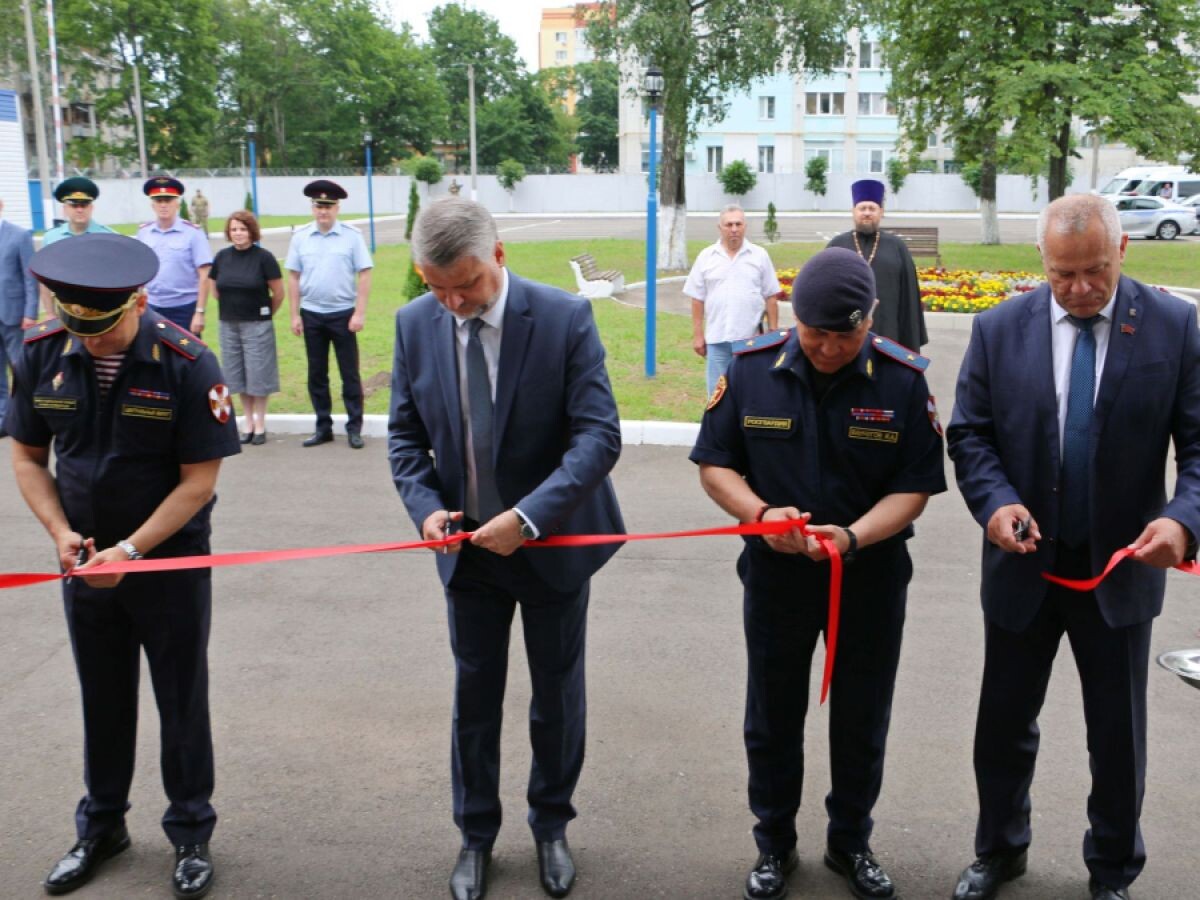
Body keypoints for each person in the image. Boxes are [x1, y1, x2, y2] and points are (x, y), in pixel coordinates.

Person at [946, 194, 1200, 900]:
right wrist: (996, 505)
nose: (1081, 290)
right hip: (1023, 566)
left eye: (1094, 271)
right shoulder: (999, 329)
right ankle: (999, 850)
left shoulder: (1176, 327)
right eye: (1064, 275)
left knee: (1117, 737)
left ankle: (1113, 870)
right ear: (1042, 262)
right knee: (1002, 726)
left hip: (1120, 571)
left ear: (1123, 250)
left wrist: (1182, 521)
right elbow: (970, 435)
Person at [689, 247, 946, 900]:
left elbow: (915, 487)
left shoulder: (901, 380)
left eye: (845, 334)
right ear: (791, 314)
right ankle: (774, 843)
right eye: (815, 333)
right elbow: (715, 463)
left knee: (862, 715)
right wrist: (762, 515)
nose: (829, 348)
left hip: (870, 576)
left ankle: (850, 842)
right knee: (772, 714)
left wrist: (854, 535)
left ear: (872, 319)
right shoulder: (750, 372)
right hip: (778, 577)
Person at [389, 197, 625, 900]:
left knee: (556, 693)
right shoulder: (413, 324)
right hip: (466, 553)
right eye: (438, 289)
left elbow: (597, 437)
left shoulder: (563, 318)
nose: (455, 303)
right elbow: (405, 438)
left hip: (551, 547)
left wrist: (528, 518)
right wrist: (428, 511)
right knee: (475, 698)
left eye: (467, 285)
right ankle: (476, 836)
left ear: (499, 255)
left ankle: (550, 825)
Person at [7, 232, 242, 899]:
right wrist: (59, 532)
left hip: (165, 564)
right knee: (102, 698)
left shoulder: (186, 362)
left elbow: (199, 481)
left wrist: (132, 551)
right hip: (82, 562)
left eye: (104, 330)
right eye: (78, 328)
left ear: (139, 301)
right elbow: (28, 456)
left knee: (180, 700)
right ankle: (102, 826)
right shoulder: (41, 351)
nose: (90, 343)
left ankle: (191, 832)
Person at [285, 179, 372, 449]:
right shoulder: (300, 237)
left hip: (343, 314)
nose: (323, 211)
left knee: (350, 374)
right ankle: (323, 427)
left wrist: (359, 313)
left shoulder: (351, 236)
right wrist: (294, 315)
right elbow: (293, 276)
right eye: (318, 206)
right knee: (317, 374)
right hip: (312, 314)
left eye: (328, 206)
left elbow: (365, 273)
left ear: (337, 208)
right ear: (312, 208)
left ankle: (354, 428)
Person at [685, 203, 781, 395]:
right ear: (719, 228)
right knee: (717, 397)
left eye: (738, 224)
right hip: (717, 341)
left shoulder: (759, 256)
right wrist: (698, 335)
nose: (734, 229)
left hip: (750, 342)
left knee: (749, 395)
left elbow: (771, 295)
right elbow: (697, 299)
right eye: (729, 225)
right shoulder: (706, 257)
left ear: (745, 226)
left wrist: (773, 331)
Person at [207, 210, 283, 445]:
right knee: (237, 375)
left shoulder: (264, 258)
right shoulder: (221, 257)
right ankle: (247, 422)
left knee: (258, 375)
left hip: (257, 324)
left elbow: (278, 293)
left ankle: (260, 424)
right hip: (228, 323)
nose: (238, 234)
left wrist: (264, 312)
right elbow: (214, 288)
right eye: (234, 230)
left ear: (252, 231)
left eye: (242, 229)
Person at [827, 179, 927, 350]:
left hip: (888, 333)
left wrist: (909, 341)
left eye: (872, 209)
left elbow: (908, 299)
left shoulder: (897, 247)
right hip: (844, 335)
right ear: (853, 211)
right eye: (862, 208)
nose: (867, 213)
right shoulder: (837, 245)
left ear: (881, 212)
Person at [135, 176, 213, 335]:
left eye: (168, 200)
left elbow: (205, 275)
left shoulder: (193, 233)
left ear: (177, 203)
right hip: (152, 307)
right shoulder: (144, 233)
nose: (163, 205)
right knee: (152, 355)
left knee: (185, 355)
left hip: (184, 309)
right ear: (152, 205)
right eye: (159, 201)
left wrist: (199, 312)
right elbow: (139, 272)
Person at [40, 177, 117, 315]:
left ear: (91, 207)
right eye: (74, 205)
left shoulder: (110, 238)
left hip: (100, 312)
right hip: (65, 311)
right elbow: (44, 281)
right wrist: (50, 313)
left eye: (84, 205)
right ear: (65, 209)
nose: (79, 209)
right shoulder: (51, 239)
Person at [0, 196, 38, 438]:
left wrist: (30, 312)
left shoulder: (19, 235)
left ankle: (31, 418)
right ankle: (4, 419)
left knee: (21, 369)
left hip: (14, 315)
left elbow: (30, 278)